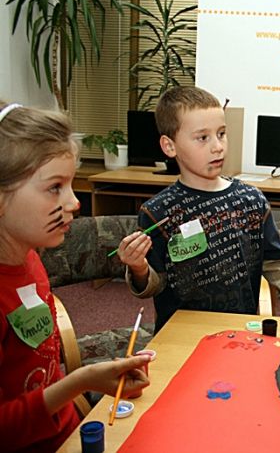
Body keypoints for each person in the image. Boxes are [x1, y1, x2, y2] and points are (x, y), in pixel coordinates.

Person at [118, 86, 280, 332]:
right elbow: (154, 284)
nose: (218, 146)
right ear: (170, 146)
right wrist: (138, 267)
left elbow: (277, 264)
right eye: (203, 138)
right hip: (181, 334)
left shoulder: (251, 200)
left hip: (239, 333)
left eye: (221, 134)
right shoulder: (157, 212)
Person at [0, 101, 151, 452]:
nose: (74, 202)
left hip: (67, 432)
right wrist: (81, 381)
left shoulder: (31, 260)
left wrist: (87, 384)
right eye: (55, 187)